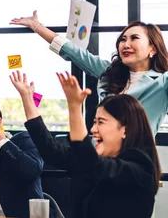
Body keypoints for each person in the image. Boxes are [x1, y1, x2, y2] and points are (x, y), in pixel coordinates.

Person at [10, 70, 161, 218]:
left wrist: (74, 107)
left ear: (125, 130)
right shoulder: (90, 160)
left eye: (101, 122)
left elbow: (92, 165)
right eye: (94, 122)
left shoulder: (140, 166)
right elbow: (50, 149)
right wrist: (27, 98)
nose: (93, 129)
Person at [11, 13, 168, 136]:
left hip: (136, 161)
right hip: (101, 157)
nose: (125, 45)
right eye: (122, 39)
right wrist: (36, 25)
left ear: (152, 49)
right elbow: (74, 52)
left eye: (134, 38)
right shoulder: (110, 72)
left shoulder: (162, 82)